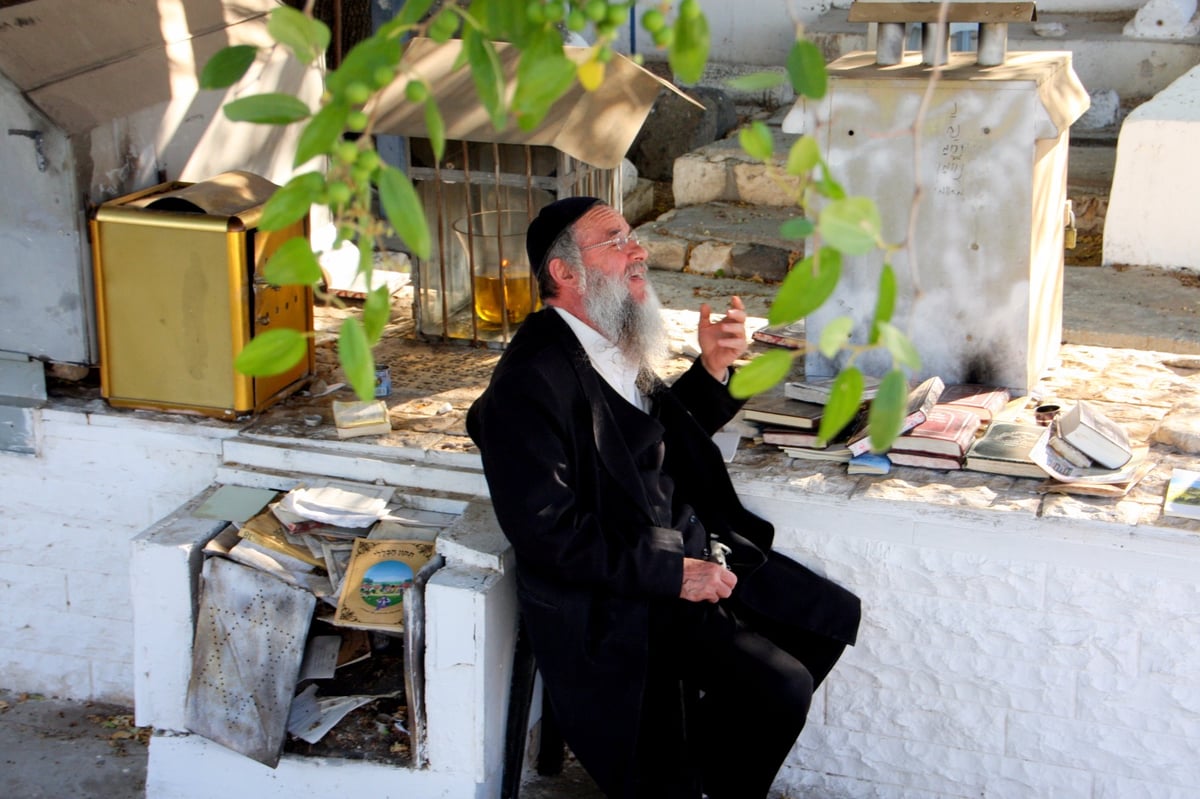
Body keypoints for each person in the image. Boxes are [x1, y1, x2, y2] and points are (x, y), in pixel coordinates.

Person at [466, 197, 861, 799]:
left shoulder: (607, 337)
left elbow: (644, 443)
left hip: (689, 546)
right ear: (565, 273)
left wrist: (712, 369)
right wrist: (672, 574)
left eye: (632, 235)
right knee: (779, 686)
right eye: (615, 240)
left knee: (827, 618)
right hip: (625, 588)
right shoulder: (530, 381)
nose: (638, 250)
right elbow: (547, 531)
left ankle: (696, 777)